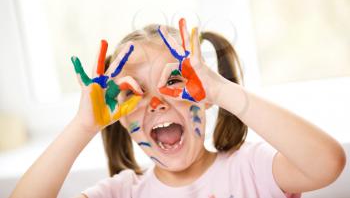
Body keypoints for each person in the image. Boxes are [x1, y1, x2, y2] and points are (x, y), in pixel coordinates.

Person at [10, 18, 346, 198]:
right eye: (133, 92)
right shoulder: (121, 194)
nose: (156, 103)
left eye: (173, 81)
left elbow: (327, 163)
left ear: (202, 96)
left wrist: (223, 91)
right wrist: (81, 127)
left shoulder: (251, 169)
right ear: (121, 119)